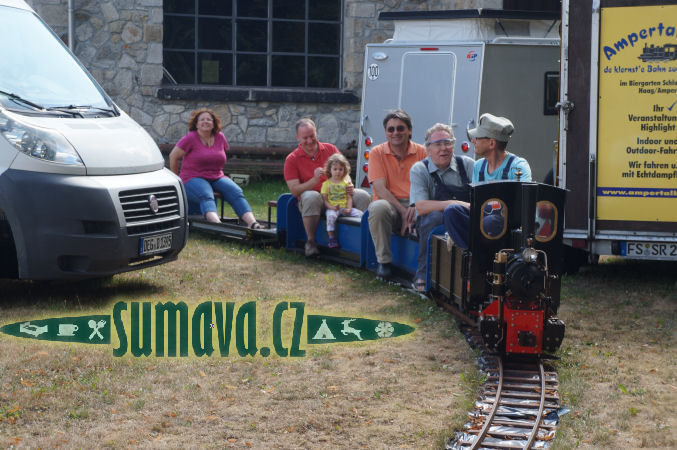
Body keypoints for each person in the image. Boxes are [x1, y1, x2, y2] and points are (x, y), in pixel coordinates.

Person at [443, 113, 532, 249]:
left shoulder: (518, 166)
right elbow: (475, 203)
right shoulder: (479, 166)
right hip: (482, 220)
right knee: (451, 211)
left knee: (491, 222)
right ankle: (472, 252)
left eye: (477, 138)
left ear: (491, 143)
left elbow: (523, 205)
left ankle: (480, 253)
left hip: (506, 226)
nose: (473, 141)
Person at [284, 118, 370, 257]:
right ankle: (311, 242)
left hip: (339, 196)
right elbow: (294, 190)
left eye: (312, 136)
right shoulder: (292, 159)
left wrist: (348, 183)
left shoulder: (330, 149)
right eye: (305, 138)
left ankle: (361, 242)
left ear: (316, 133)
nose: (310, 141)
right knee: (312, 196)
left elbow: (345, 172)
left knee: (363, 195)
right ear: (297, 137)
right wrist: (314, 181)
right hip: (314, 201)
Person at [169, 108, 262, 229]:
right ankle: (217, 225)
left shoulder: (220, 137)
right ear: (196, 124)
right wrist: (177, 180)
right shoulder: (190, 138)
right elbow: (173, 156)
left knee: (236, 191)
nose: (205, 122)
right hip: (193, 177)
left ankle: (253, 223)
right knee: (206, 194)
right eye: (202, 119)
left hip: (217, 176)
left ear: (213, 123)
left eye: (209, 119)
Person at [409, 123, 474, 292]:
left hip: (462, 219)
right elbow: (421, 207)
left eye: (448, 143)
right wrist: (453, 203)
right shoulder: (420, 169)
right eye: (438, 144)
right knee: (434, 218)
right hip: (432, 220)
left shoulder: (467, 164)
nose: (443, 148)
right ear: (428, 149)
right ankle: (422, 273)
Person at [367, 110, 426, 279]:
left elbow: (426, 185)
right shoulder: (377, 153)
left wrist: (413, 208)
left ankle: (422, 269)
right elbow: (380, 189)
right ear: (385, 132)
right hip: (391, 204)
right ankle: (384, 263)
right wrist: (403, 211)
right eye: (390, 129)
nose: (395, 133)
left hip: (415, 202)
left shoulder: (422, 152)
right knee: (377, 208)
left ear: (409, 130)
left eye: (400, 128)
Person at [321, 153, 364, 248]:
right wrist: (332, 207)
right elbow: (325, 200)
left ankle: (360, 235)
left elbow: (349, 197)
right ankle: (332, 238)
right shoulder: (326, 184)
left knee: (361, 214)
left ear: (344, 170)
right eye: (335, 169)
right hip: (332, 208)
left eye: (341, 169)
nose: (338, 172)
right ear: (330, 170)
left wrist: (349, 209)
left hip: (344, 208)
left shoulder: (346, 183)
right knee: (330, 217)